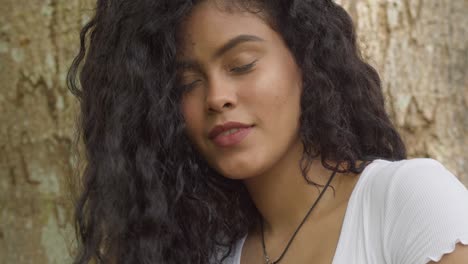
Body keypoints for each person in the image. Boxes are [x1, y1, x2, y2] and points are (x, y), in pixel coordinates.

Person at [66, 0, 468, 263]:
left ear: (307, 60)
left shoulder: (407, 203)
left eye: (241, 64)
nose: (217, 97)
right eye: (186, 83)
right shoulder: (205, 253)